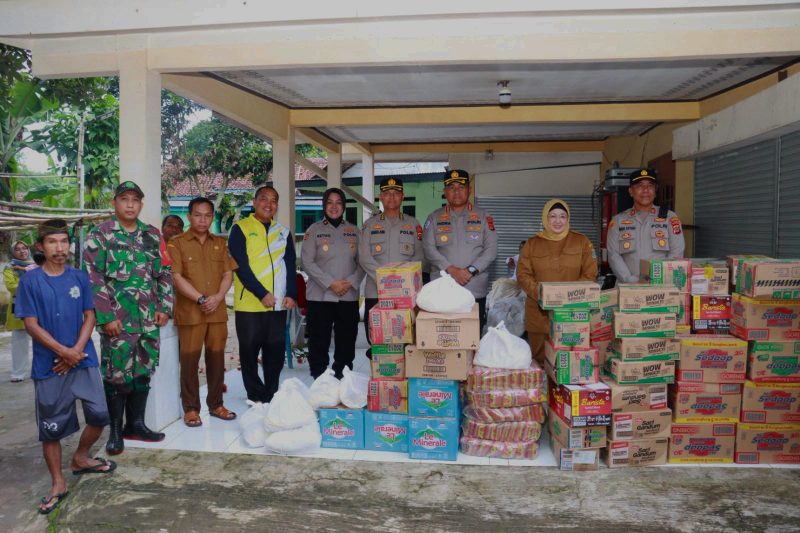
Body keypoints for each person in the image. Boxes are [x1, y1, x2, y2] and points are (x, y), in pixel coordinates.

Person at [15, 219, 115, 515]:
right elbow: (31, 324)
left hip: (83, 359)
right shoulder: (30, 281)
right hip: (49, 366)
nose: (59, 248)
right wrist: (63, 352)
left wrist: (75, 351)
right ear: (41, 246)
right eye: (52, 242)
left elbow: (90, 316)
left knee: (100, 415)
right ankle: (58, 483)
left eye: (63, 241)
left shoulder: (79, 277)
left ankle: (81, 457)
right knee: (52, 428)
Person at [83, 181, 173, 455]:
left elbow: (164, 273)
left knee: (143, 371)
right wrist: (106, 317)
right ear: (115, 203)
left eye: (135, 199)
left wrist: (164, 307)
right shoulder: (100, 234)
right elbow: (93, 278)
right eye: (124, 199)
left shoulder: (152, 235)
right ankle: (115, 431)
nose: (130, 204)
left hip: (148, 320)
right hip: (118, 322)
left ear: (141, 204)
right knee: (116, 375)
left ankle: (136, 425)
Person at [167, 197, 237, 427]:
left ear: (212, 217)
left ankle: (216, 405)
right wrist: (200, 298)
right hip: (191, 313)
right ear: (189, 216)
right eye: (197, 215)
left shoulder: (220, 243)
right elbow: (176, 277)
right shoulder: (177, 243)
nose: (202, 220)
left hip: (216, 312)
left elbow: (228, 273)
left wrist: (218, 297)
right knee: (189, 362)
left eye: (207, 215)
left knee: (216, 359)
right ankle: (191, 409)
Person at [229, 185, 297, 404]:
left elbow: (290, 264)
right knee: (249, 352)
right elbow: (240, 266)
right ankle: (255, 394)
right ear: (255, 202)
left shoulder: (283, 232)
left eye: (274, 200)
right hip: (249, 303)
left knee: (275, 351)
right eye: (264, 199)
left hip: (277, 303)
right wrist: (261, 293)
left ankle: (271, 393)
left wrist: (291, 293)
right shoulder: (240, 228)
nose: (269, 204)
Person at [516, 199, 598, 364]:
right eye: (552, 216)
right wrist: (542, 294)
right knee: (539, 362)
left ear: (568, 219)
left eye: (562, 216)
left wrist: (569, 297)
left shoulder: (582, 242)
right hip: (539, 313)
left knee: (569, 362)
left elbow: (590, 273)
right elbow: (523, 274)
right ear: (545, 218)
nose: (558, 221)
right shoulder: (532, 244)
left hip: (571, 314)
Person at [422, 169, 498, 332]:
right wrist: (451, 270)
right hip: (442, 289)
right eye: (451, 188)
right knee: (443, 337)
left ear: (469, 189)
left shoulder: (483, 216)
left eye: (461, 187)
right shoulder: (434, 218)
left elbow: (491, 249)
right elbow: (428, 248)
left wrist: (470, 271)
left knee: (472, 337)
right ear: (445, 192)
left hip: (474, 289)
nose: (456, 191)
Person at [302, 187, 364, 379]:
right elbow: (307, 262)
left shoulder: (354, 231)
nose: (334, 207)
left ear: (344, 206)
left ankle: (342, 378)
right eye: (330, 203)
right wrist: (331, 283)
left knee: (346, 340)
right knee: (318, 341)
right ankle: (320, 380)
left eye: (338, 203)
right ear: (324, 206)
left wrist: (349, 282)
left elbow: (363, 262)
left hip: (348, 295)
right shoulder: (314, 231)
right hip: (320, 296)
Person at [359, 177, 424, 358]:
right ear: (380, 197)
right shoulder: (369, 225)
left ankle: (403, 375)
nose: (391, 197)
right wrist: (385, 281)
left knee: (405, 339)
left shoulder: (413, 224)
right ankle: (380, 374)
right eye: (387, 193)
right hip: (376, 292)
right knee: (376, 340)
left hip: (405, 295)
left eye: (396, 193)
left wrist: (402, 282)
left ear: (403, 196)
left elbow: (420, 257)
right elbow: (364, 257)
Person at [607, 168, 686, 283]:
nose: (645, 190)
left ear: (655, 190)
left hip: (661, 285)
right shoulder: (618, 221)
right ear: (631, 191)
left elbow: (677, 251)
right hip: (628, 286)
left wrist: (661, 278)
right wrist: (630, 280)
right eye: (640, 186)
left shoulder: (670, 218)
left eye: (650, 185)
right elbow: (613, 255)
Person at [4, 240, 36, 382]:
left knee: (42, 340)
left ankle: (41, 368)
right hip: (19, 307)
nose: (22, 251)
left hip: (38, 306)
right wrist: (32, 285)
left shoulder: (37, 265)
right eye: (18, 249)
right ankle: (18, 373)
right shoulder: (9, 267)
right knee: (19, 342)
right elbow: (11, 286)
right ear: (13, 252)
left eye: (24, 248)